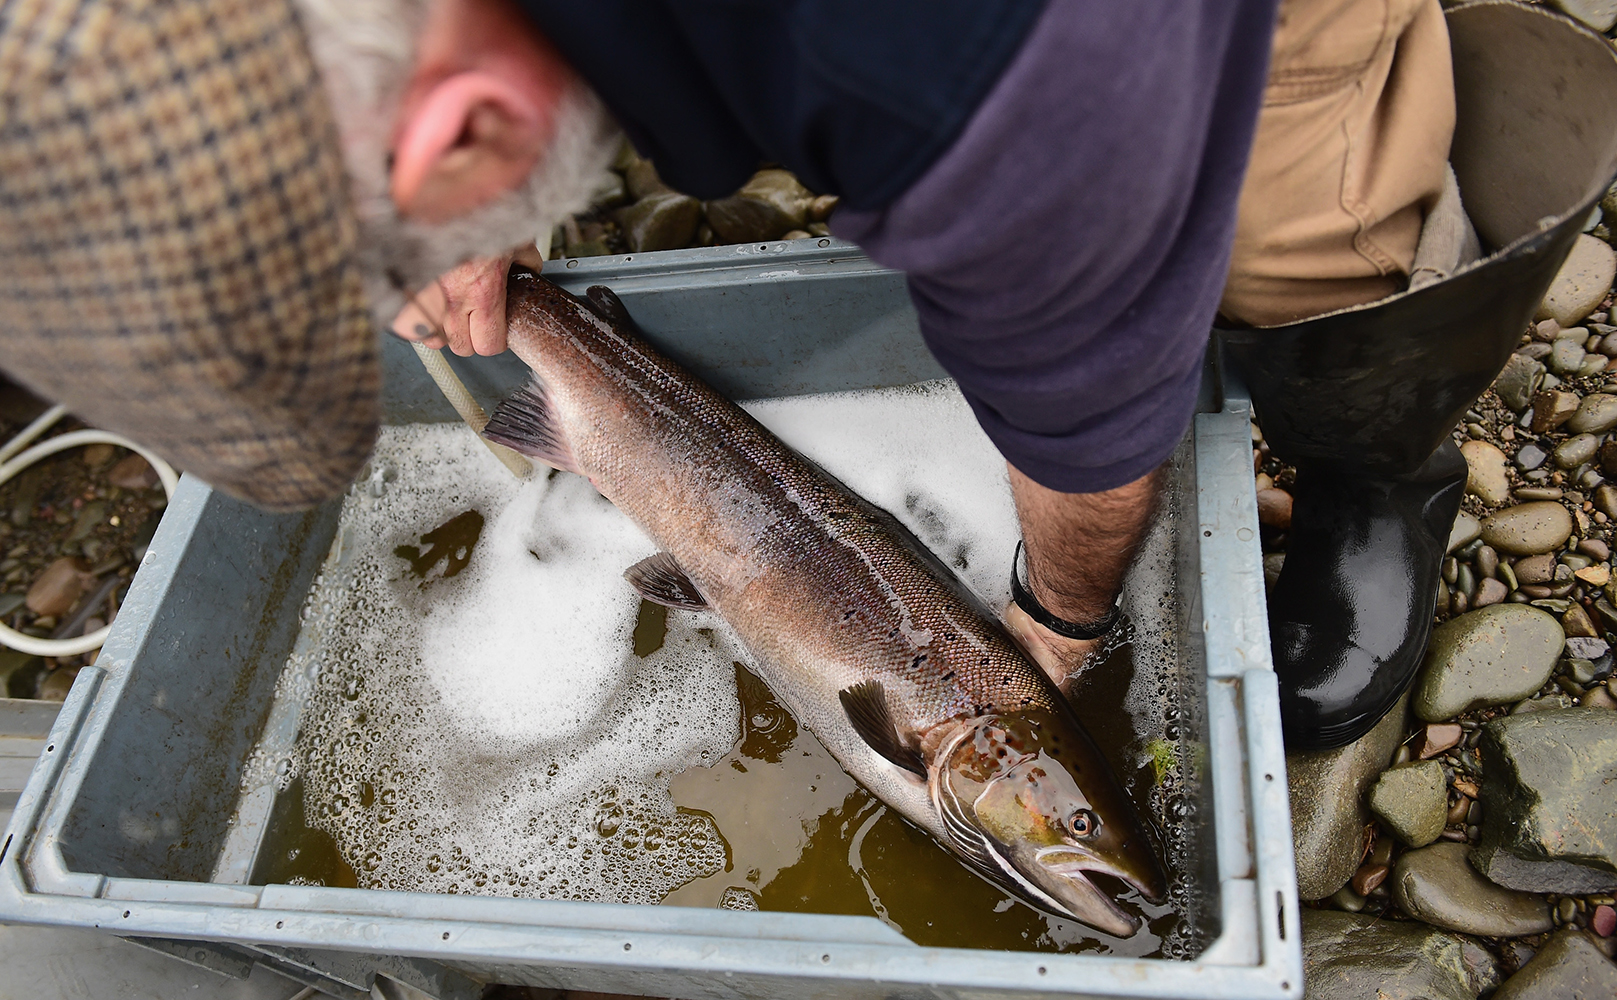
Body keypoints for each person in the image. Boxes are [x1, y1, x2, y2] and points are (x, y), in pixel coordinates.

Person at [2, 0, 1614, 753]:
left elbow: (1091, 424)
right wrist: (448, 206)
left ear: (454, 127)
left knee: (1287, 214)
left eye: (365, 258)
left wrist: (1054, 627)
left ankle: (1374, 449)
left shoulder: (980, 66)